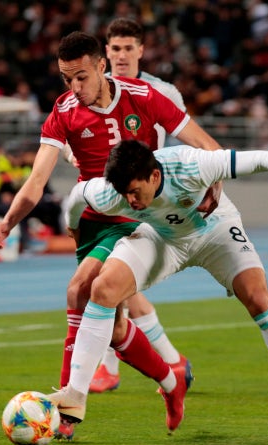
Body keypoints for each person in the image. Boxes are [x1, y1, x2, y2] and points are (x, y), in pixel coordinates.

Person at [0, 31, 222, 439]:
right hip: (93, 220)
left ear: (100, 66)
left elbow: (200, 141)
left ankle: (67, 411)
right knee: (112, 328)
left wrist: (215, 180)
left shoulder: (143, 96)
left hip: (139, 214)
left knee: (79, 289)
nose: (74, 88)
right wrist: (8, 221)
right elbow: (37, 179)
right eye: (65, 79)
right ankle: (170, 380)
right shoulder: (63, 112)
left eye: (81, 77)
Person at [54, 139, 268, 437]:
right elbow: (77, 195)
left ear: (154, 177)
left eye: (135, 192)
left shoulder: (190, 165)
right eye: (124, 194)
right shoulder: (112, 194)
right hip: (165, 239)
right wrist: (73, 226)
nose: (130, 202)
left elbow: (265, 158)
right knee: (103, 288)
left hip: (215, 231)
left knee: (258, 298)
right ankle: (75, 395)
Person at [87, 17, 190, 394]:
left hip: (149, 199)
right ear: (106, 52)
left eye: (129, 48)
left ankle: (116, 367)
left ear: (141, 51)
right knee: (115, 285)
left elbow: (183, 138)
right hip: (108, 196)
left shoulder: (162, 91)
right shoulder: (93, 90)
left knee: (107, 281)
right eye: (115, 48)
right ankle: (171, 362)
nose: (122, 55)